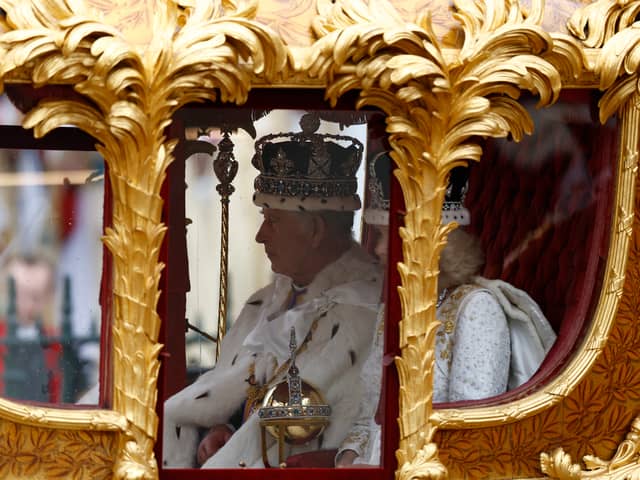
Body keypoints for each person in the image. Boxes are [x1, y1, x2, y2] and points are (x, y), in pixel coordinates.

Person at [162, 113, 383, 468]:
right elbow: (241, 396)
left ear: (314, 230)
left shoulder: (367, 314)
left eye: (273, 221)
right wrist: (220, 428)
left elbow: (335, 437)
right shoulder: (264, 303)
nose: (260, 235)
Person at [329, 161, 557, 467]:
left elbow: (469, 434)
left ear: (435, 243)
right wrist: (348, 460)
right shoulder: (394, 309)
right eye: (380, 236)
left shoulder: (477, 309)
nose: (380, 250)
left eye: (392, 236)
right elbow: (368, 418)